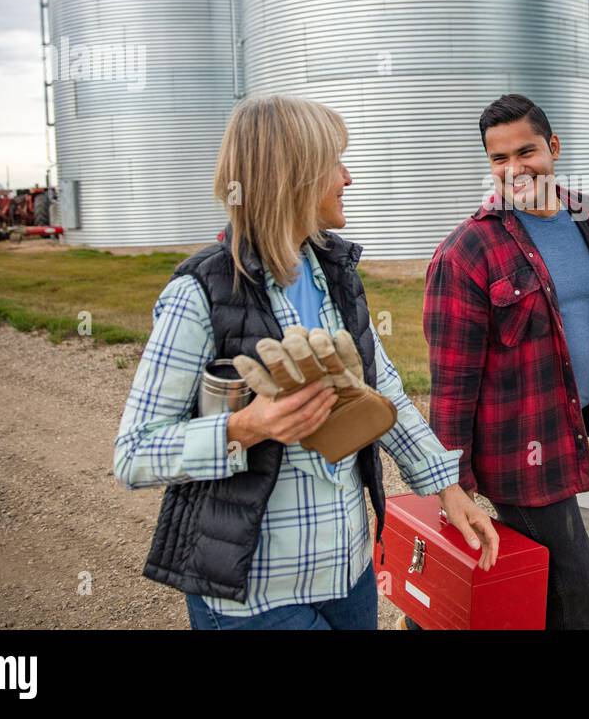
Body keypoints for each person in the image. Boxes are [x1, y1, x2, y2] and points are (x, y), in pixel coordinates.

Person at [114, 94, 497, 629]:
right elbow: (133, 454)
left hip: (348, 574)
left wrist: (447, 489)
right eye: (334, 163)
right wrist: (247, 426)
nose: (348, 178)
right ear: (292, 177)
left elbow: (381, 386)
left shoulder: (332, 272)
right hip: (254, 594)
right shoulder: (199, 294)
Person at [419, 93, 589, 630]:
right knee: (577, 598)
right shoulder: (468, 250)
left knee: (536, 587)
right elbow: (450, 383)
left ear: (554, 147)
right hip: (519, 450)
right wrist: (452, 484)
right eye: (499, 159)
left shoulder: (585, 218)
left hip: (567, 429)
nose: (515, 170)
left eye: (526, 152)